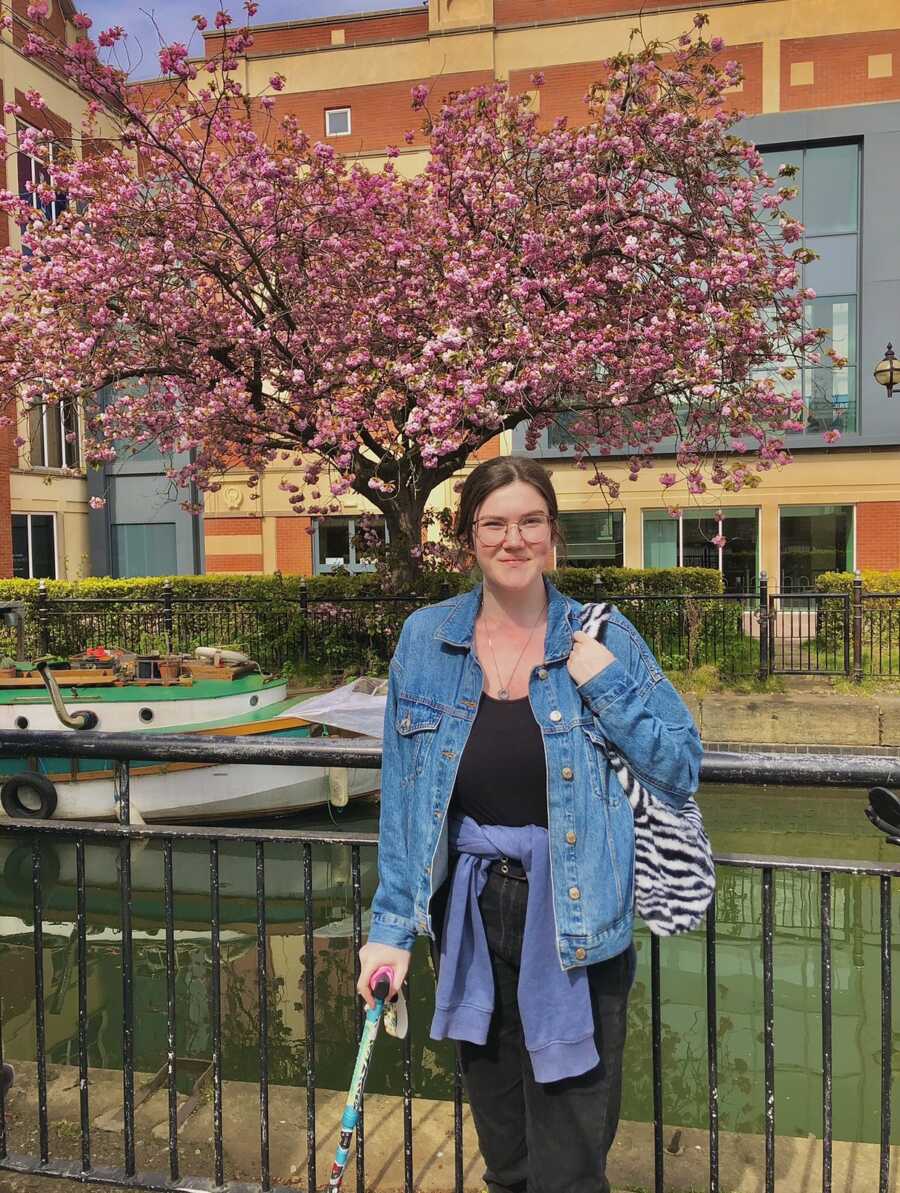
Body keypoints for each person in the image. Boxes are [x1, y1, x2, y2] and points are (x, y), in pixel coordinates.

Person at [358, 457, 702, 1193]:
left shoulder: (605, 637)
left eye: (530, 521)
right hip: (470, 919)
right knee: (506, 1149)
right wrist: (389, 930)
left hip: (577, 918)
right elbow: (404, 794)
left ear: (552, 533)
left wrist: (603, 680)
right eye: (494, 523)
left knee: (572, 1160)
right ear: (469, 538)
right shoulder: (426, 639)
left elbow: (678, 767)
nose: (513, 539)